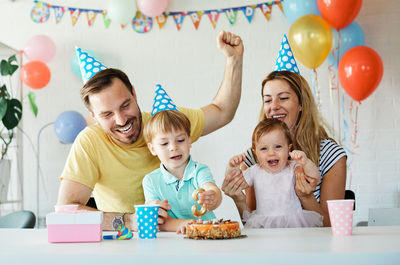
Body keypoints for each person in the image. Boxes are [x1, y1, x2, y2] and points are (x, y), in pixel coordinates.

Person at [57, 31, 244, 231]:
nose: (121, 120)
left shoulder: (165, 122)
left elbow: (223, 112)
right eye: (107, 114)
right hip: (125, 243)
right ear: (93, 116)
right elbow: (66, 211)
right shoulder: (90, 142)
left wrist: (234, 60)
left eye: (125, 105)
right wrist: (129, 220)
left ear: (134, 93)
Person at [222, 35, 346, 227]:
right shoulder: (254, 157)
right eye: (268, 99)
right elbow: (254, 221)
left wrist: (306, 196)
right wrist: (237, 198)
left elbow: (332, 227)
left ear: (301, 104)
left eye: (283, 98)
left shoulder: (331, 154)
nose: (274, 106)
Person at [226, 118, 323, 228]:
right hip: (264, 221)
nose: (271, 153)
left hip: (293, 221)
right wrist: (232, 167)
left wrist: (306, 162)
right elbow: (233, 181)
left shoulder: (293, 167)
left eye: (278, 146)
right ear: (255, 152)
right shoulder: (255, 170)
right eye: (263, 149)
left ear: (288, 148)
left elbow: (315, 177)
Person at [142, 100, 222, 233]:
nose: (173, 147)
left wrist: (213, 196)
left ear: (189, 141)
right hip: (170, 243)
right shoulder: (151, 181)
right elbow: (158, 221)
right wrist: (185, 224)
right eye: (164, 144)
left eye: (180, 140)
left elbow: (211, 189)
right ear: (152, 148)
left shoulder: (199, 171)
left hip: (205, 236)